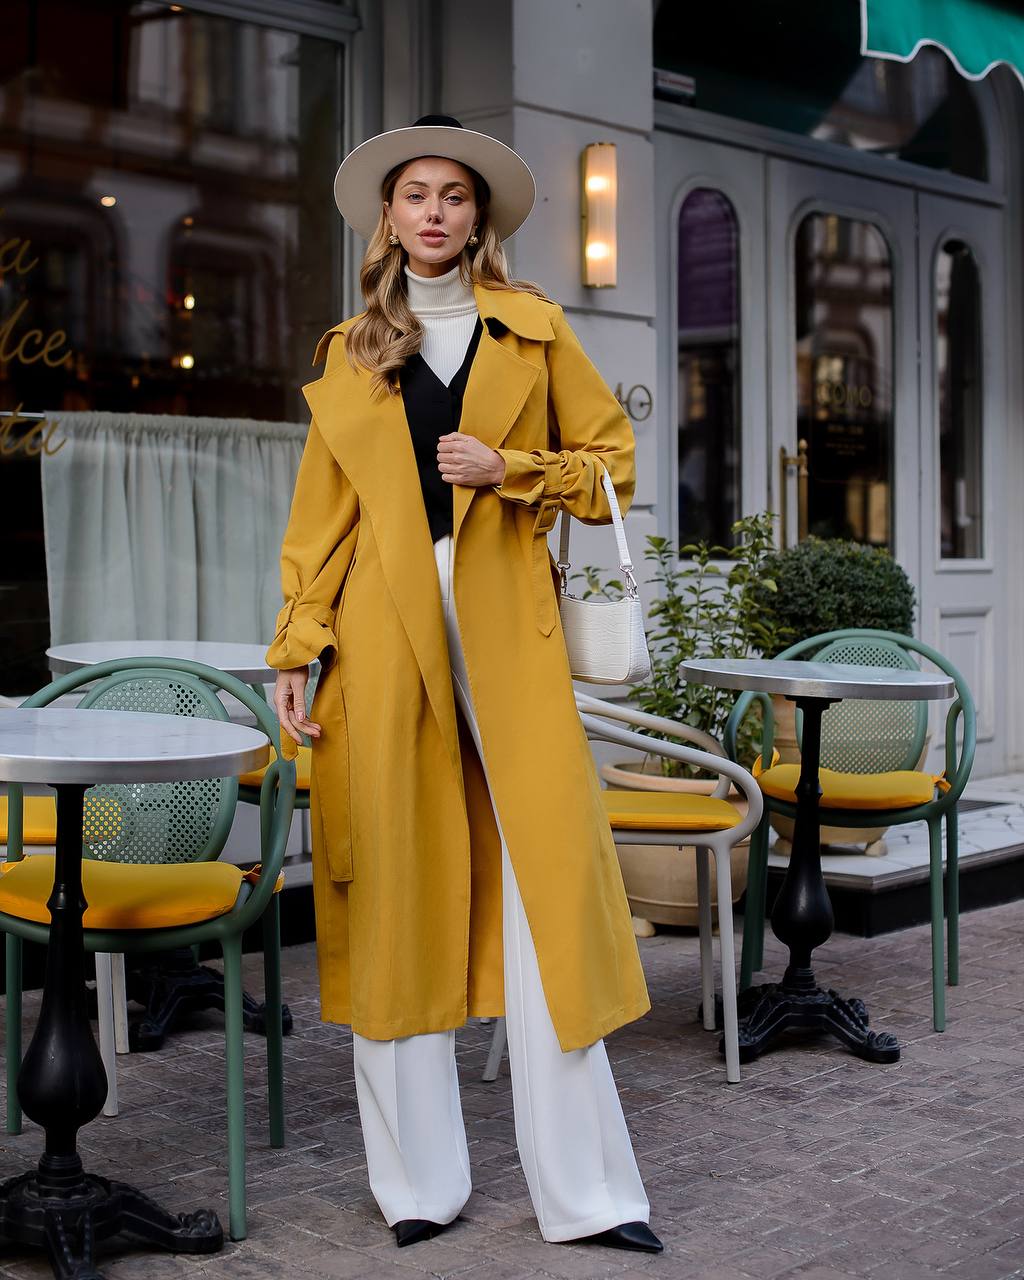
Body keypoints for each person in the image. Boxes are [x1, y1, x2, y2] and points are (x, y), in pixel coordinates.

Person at [266, 115, 661, 1255]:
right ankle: (416, 1187)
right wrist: (297, 648)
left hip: (508, 626)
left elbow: (611, 469)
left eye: (453, 195)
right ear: (388, 218)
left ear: (478, 218)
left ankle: (589, 1194)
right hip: (378, 637)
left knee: (547, 896)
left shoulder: (534, 331)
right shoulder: (352, 352)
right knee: (394, 886)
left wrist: (512, 468)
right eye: (414, 195)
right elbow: (320, 525)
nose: (434, 211)